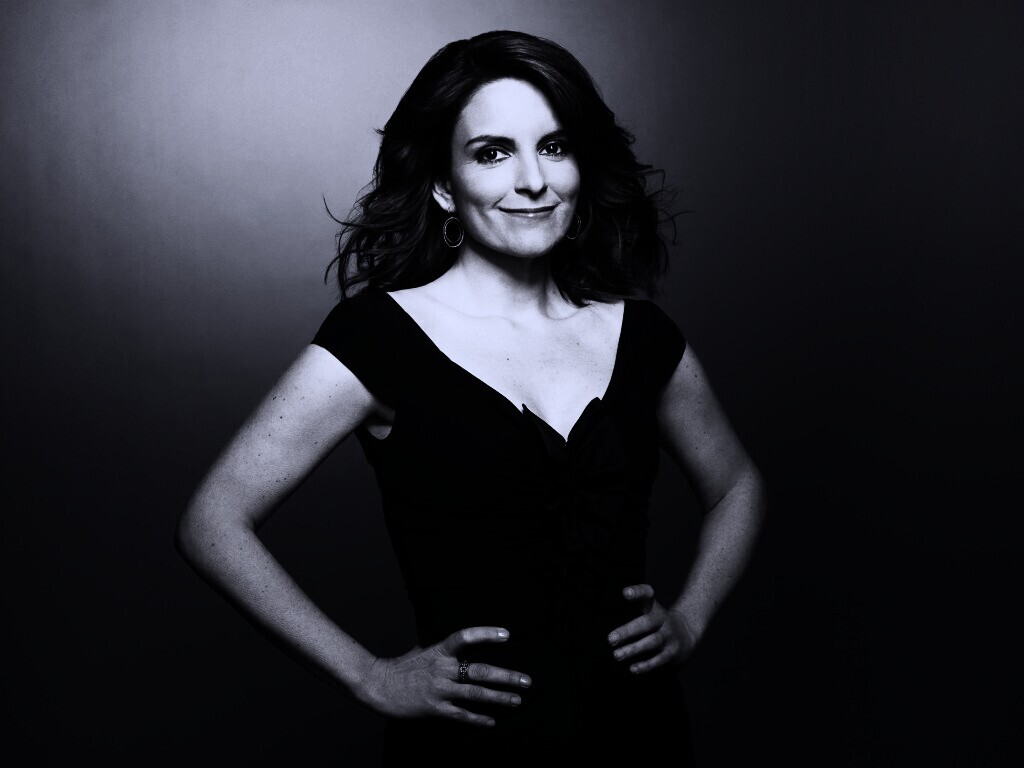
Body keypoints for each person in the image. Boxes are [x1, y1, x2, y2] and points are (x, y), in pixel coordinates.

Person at [176, 30, 765, 765]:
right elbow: (212, 521)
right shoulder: (378, 338)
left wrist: (692, 618)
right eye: (493, 153)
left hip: (642, 736)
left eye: (554, 147)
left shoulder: (643, 336)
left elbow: (737, 485)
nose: (533, 180)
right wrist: (368, 674)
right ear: (443, 184)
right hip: (467, 750)